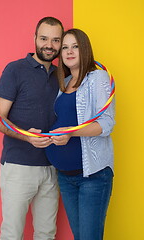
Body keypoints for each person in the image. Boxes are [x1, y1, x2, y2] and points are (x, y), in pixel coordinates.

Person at [0, 17, 64, 240]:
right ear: (34, 39)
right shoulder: (15, 70)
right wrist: (26, 136)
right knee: (12, 233)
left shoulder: (62, 75)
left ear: (61, 43)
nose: (49, 45)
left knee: (46, 233)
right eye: (44, 38)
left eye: (55, 40)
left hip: (52, 167)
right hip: (19, 167)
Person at [45, 29, 115, 240]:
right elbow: (61, 121)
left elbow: (107, 123)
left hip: (92, 177)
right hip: (65, 177)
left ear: (84, 48)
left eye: (75, 46)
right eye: (64, 47)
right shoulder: (64, 83)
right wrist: (44, 134)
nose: (69, 51)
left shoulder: (97, 77)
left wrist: (70, 133)